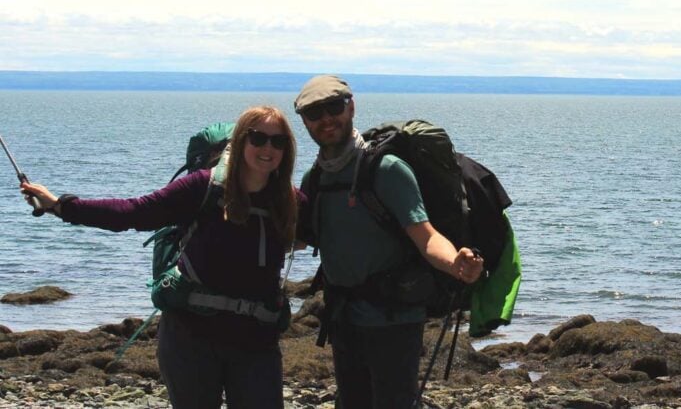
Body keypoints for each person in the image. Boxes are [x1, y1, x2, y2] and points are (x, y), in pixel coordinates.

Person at [20, 105, 300, 409]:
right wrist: (61, 206)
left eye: (278, 141)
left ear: (288, 148)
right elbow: (133, 212)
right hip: (191, 337)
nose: (268, 148)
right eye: (258, 138)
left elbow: (335, 235)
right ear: (241, 141)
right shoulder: (201, 188)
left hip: (256, 341)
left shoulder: (291, 202)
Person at [295, 75, 484, 409]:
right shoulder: (317, 178)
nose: (326, 118)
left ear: (351, 106)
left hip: (393, 320)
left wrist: (456, 263)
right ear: (304, 121)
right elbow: (295, 239)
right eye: (314, 112)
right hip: (343, 320)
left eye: (334, 107)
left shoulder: (386, 169)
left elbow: (425, 236)